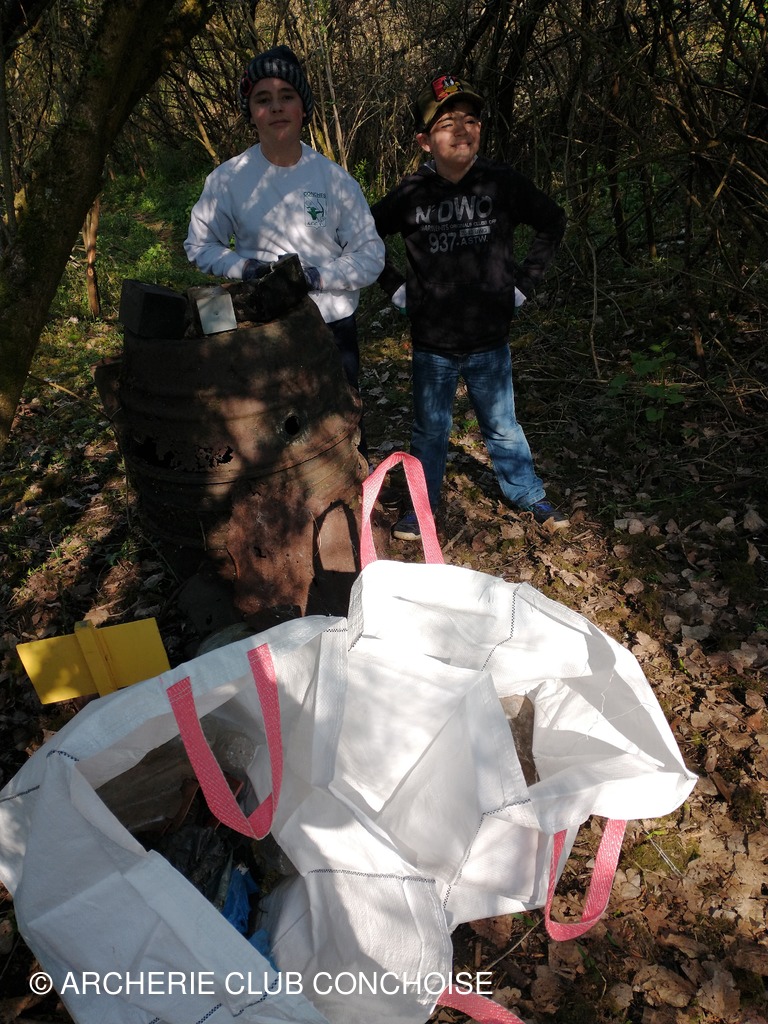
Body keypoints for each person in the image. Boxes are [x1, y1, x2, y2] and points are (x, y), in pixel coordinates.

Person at [371, 72, 569, 539]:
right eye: (446, 123)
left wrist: (523, 286)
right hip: (432, 342)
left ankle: (527, 493)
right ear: (424, 140)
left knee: (502, 426)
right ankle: (422, 506)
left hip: (489, 339)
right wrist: (396, 289)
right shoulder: (411, 193)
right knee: (430, 431)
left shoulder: (501, 183)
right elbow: (361, 236)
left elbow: (552, 221)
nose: (461, 129)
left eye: (470, 120)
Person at [184, 45, 385, 460]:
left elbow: (370, 255)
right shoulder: (228, 180)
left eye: (286, 96)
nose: (276, 107)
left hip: (331, 327)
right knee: (275, 442)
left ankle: (356, 493)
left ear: (303, 107)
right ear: (251, 112)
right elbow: (199, 244)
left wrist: (318, 277)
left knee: (341, 431)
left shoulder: (335, 180)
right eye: (263, 99)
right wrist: (248, 268)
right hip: (262, 330)